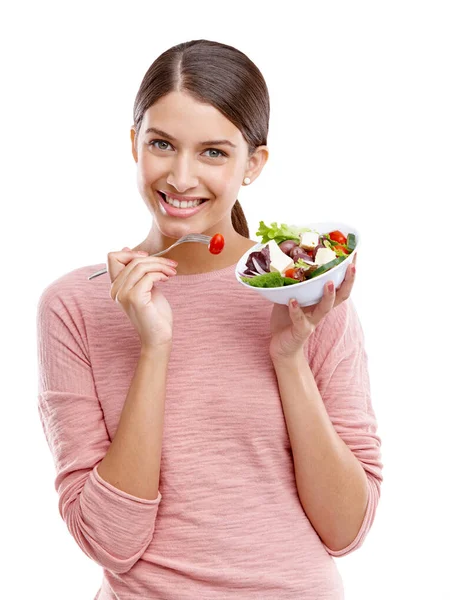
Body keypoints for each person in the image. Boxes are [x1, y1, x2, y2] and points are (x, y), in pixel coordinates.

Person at [36, 39, 383, 600]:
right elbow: (111, 542)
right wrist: (154, 348)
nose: (180, 176)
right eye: (162, 144)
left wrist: (288, 358)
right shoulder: (74, 306)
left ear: (254, 164)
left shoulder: (306, 292)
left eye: (214, 152)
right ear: (134, 145)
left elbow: (345, 530)